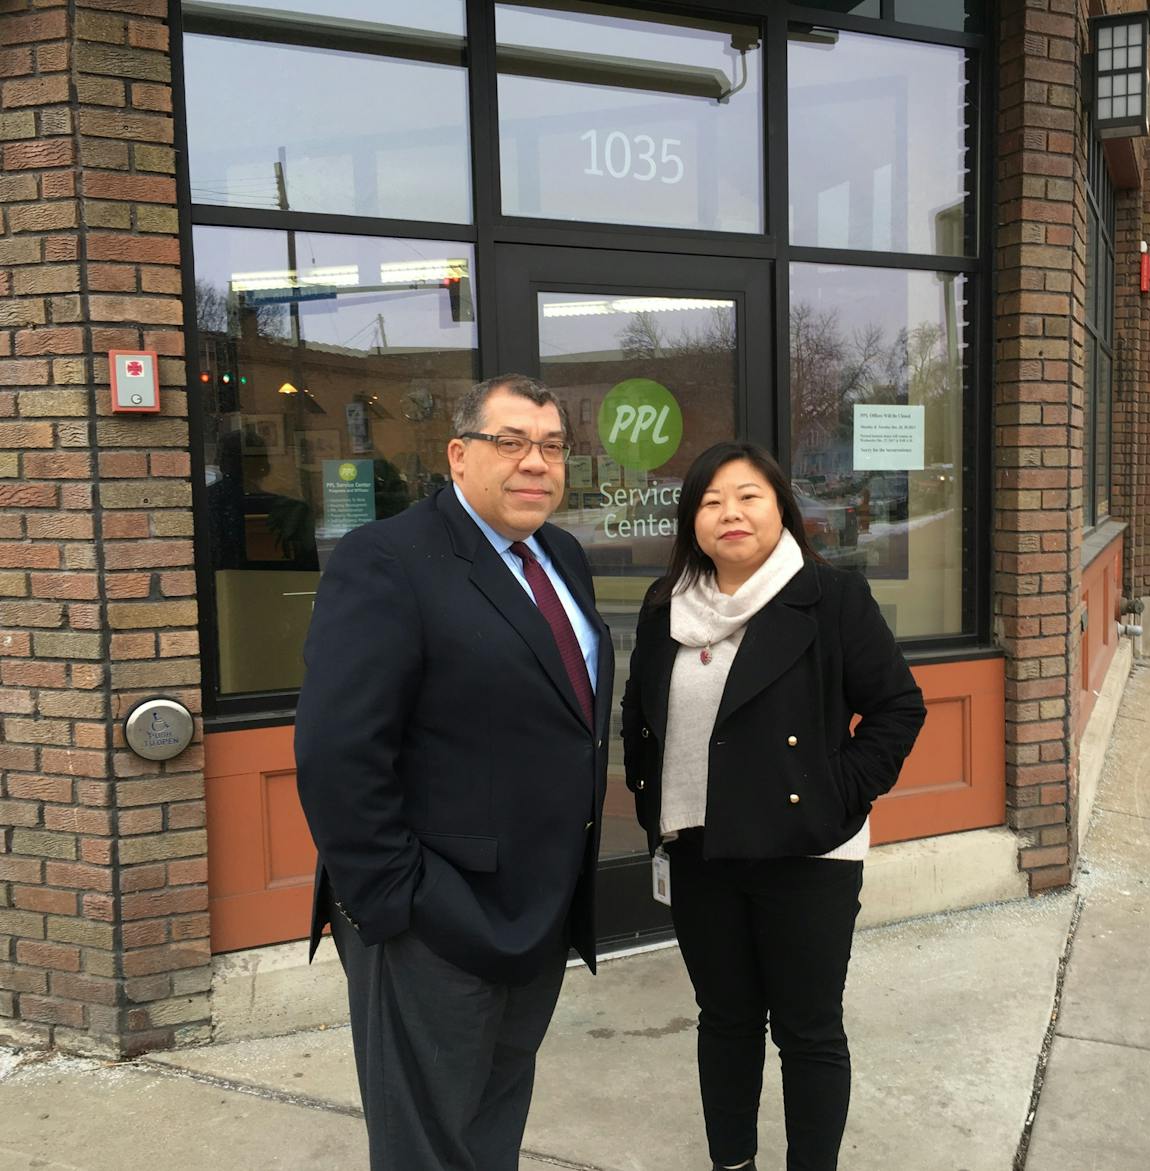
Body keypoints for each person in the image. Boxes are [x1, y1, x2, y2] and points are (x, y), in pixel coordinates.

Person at [295, 374, 612, 1171]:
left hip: (534, 910)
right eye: (511, 443)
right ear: (459, 454)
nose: (535, 463)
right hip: (431, 921)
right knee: (425, 1151)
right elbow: (338, 750)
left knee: (489, 1132)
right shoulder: (389, 560)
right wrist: (394, 901)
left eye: (550, 445)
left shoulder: (561, 555)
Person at [621, 441, 926, 1171]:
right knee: (725, 1021)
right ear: (691, 519)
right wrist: (652, 809)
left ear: (780, 506)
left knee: (808, 1029)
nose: (730, 512)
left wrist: (837, 797)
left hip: (807, 854)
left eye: (748, 495)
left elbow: (897, 708)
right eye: (711, 499)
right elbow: (639, 716)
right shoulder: (666, 604)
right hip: (700, 851)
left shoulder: (829, 597)